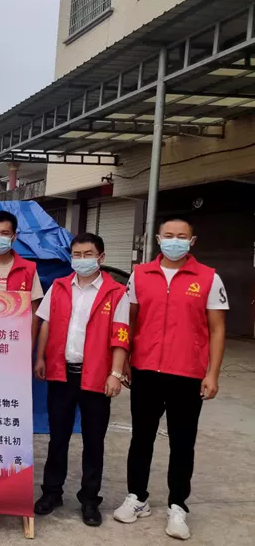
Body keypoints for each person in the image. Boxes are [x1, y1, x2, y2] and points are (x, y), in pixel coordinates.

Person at [113, 218, 227, 540]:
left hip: (187, 374)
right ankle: (137, 497)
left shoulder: (208, 278)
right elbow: (129, 321)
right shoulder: (140, 275)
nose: (174, 241)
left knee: (182, 443)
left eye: (181, 236)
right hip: (146, 370)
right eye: (168, 235)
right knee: (141, 438)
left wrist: (212, 373)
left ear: (192, 241)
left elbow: (217, 329)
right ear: (157, 239)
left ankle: (178, 506)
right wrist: (125, 362)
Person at [33, 233, 131, 526]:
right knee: (58, 437)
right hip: (62, 374)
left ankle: (89, 500)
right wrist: (40, 358)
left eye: (88, 254)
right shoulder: (59, 287)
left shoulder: (116, 292)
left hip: (97, 377)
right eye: (76, 254)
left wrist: (115, 373)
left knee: (93, 441)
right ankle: (51, 492)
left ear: (101, 257)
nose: (81, 259)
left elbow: (121, 335)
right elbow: (46, 323)